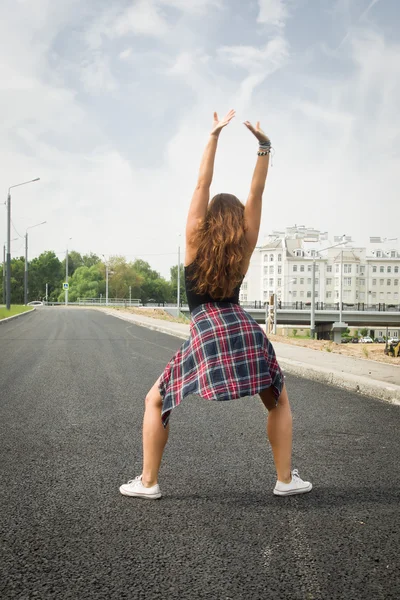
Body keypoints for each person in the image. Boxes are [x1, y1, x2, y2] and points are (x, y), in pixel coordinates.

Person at [120, 110, 312, 500]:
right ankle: (285, 480)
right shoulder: (244, 245)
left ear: (207, 219)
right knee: (277, 398)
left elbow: (201, 183)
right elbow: (256, 194)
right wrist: (264, 146)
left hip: (206, 329)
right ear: (238, 222)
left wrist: (214, 136)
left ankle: (148, 482)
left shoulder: (193, 240)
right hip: (243, 327)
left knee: (156, 400)